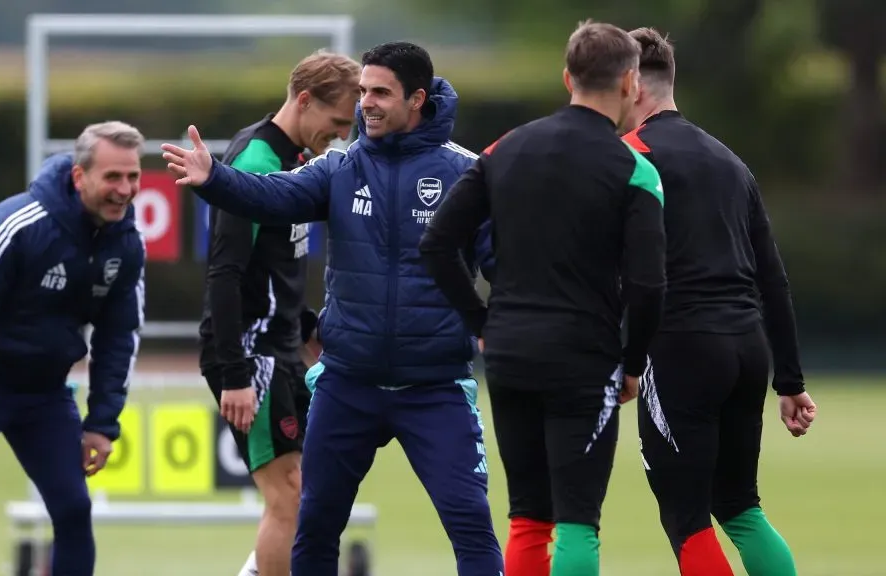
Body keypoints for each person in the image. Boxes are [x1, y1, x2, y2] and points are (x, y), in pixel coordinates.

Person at [163, 41, 503, 576]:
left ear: (417, 99)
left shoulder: (466, 171)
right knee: (315, 526)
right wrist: (214, 180)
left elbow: (499, 263)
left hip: (434, 385)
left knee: (470, 524)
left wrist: (502, 326)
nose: (365, 103)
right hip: (349, 385)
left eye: (380, 93)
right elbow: (270, 196)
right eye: (362, 90)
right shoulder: (340, 166)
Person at [418, 21, 666, 576]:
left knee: (528, 516)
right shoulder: (636, 169)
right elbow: (650, 285)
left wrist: (480, 319)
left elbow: (437, 243)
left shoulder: (503, 149)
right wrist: (633, 363)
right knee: (579, 518)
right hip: (583, 356)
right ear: (630, 82)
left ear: (566, 77)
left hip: (508, 353)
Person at [0, 121, 147, 576]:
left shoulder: (127, 243)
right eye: (112, 177)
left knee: (74, 510)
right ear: (80, 177)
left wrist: (102, 424)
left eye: (132, 177)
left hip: (45, 395)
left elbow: (120, 337)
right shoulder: (16, 224)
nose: (125, 189)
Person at [618, 27, 816, 576]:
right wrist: (791, 381)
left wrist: (622, 355)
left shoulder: (629, 158)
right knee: (740, 506)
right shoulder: (731, 162)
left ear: (630, 86)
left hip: (681, 347)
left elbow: (620, 269)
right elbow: (772, 278)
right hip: (746, 349)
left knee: (686, 517)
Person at [197, 49, 360, 576]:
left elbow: (276, 268)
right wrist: (235, 374)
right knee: (287, 496)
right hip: (251, 356)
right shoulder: (255, 162)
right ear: (305, 100)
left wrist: (309, 327)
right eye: (336, 123)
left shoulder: (296, 161)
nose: (339, 136)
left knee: (312, 491)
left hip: (283, 346)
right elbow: (225, 273)